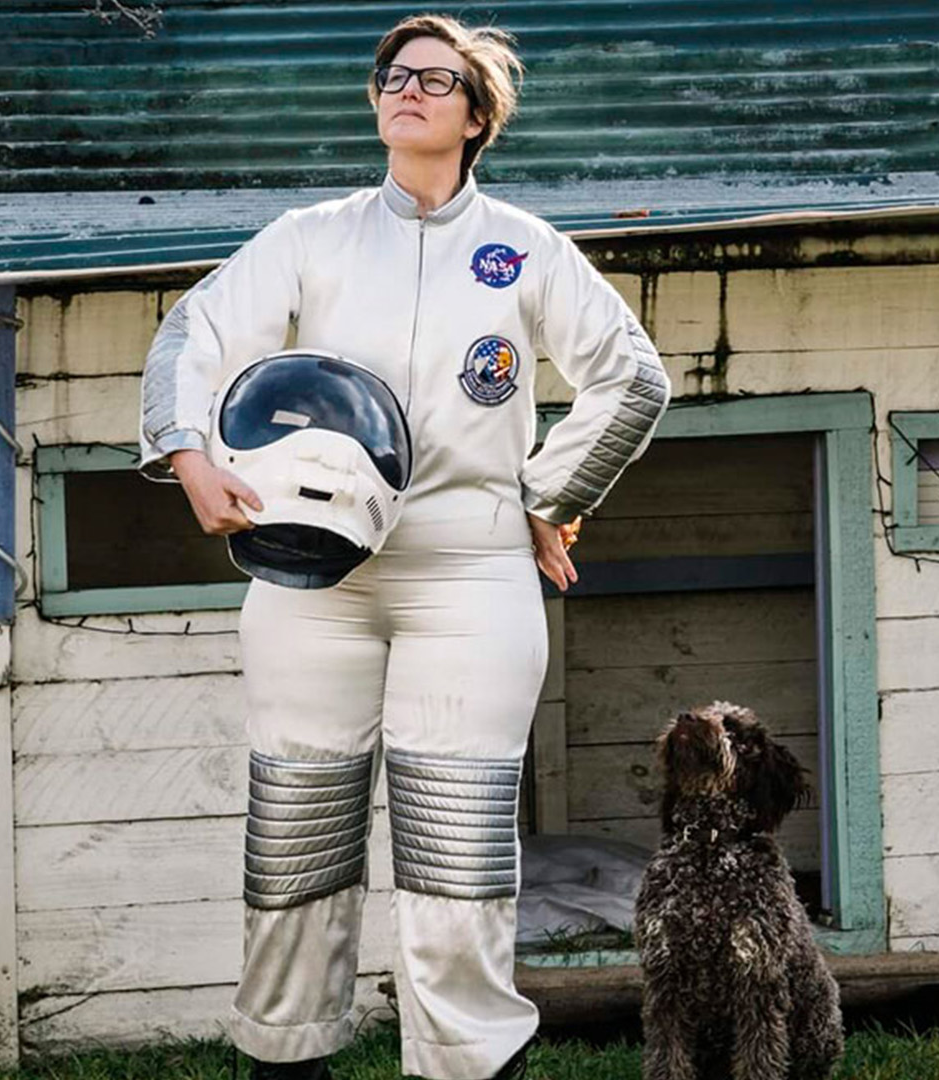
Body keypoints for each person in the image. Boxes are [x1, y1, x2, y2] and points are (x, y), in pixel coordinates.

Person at [135, 14, 671, 1080]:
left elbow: (633, 377)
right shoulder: (312, 236)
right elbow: (189, 336)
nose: (407, 90)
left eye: (436, 79)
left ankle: (466, 1062)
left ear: (477, 117)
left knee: (456, 862)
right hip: (308, 574)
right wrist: (190, 456)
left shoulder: (525, 248)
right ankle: (286, 1056)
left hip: (468, 577)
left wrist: (552, 493)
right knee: (297, 845)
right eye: (393, 75)